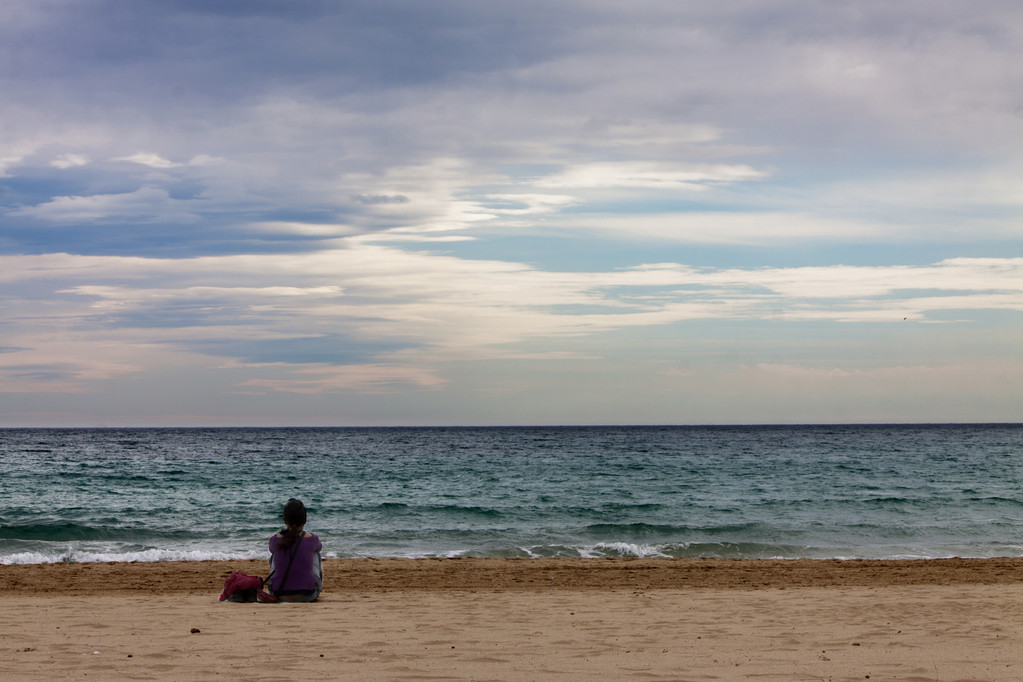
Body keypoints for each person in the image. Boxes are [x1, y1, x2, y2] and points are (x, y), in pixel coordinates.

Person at [264, 498, 322, 602]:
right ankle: (311, 584)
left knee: (275, 554)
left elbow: (271, 548)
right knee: (315, 553)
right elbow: (319, 547)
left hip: (279, 593)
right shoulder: (312, 539)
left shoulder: (275, 539)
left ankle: (282, 582)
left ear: (285, 521)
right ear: (305, 520)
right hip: (308, 594)